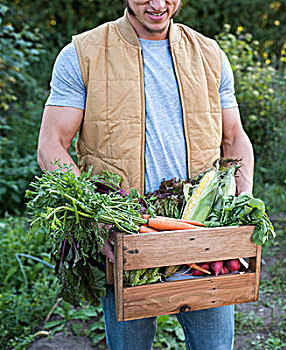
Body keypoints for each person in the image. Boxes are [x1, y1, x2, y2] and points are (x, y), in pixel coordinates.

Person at [36, 1, 254, 349]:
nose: (157, 4)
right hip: (126, 233)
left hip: (200, 233)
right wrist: (97, 216)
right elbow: (51, 145)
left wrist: (239, 203)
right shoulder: (83, 53)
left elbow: (234, 137)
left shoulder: (210, 55)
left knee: (214, 346)